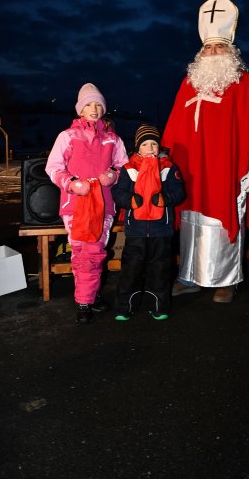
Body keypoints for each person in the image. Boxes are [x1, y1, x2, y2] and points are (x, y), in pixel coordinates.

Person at [161, 0, 249, 303]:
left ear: (231, 52)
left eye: (219, 47)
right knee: (191, 222)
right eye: (208, 47)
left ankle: (226, 279)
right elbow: (173, 129)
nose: (213, 52)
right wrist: (165, 163)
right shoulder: (189, 83)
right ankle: (189, 276)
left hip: (227, 167)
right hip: (192, 171)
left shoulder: (244, 83)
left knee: (222, 219)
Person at [46, 83, 128, 324]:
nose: (94, 109)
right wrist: (71, 183)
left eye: (98, 105)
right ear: (80, 110)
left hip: (104, 205)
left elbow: (124, 166)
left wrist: (113, 174)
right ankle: (85, 301)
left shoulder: (113, 139)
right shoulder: (67, 136)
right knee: (84, 254)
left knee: (95, 252)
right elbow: (53, 168)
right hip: (76, 205)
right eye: (89, 105)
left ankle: (90, 296)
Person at [111, 124, 185, 321]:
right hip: (136, 229)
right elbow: (118, 192)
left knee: (159, 269)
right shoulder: (129, 169)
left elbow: (179, 192)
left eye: (154, 143)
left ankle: (159, 306)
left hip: (161, 229)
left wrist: (165, 198)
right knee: (131, 268)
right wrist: (130, 201)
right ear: (137, 148)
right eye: (146, 144)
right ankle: (124, 306)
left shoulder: (169, 168)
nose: (151, 147)